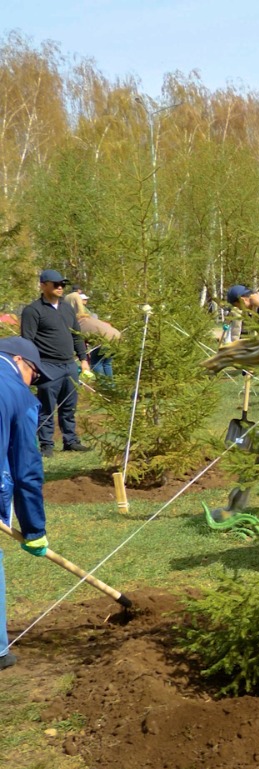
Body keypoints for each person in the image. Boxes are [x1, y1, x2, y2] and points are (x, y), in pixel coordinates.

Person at [0, 337, 50, 670]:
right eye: (35, 374)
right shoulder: (17, 393)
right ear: (21, 361)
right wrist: (34, 530)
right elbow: (27, 470)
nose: (33, 382)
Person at [20, 269, 91, 455]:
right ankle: (46, 445)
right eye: (56, 284)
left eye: (62, 284)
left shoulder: (68, 308)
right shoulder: (32, 311)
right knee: (46, 408)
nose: (60, 287)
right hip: (47, 365)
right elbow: (27, 341)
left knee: (69, 406)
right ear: (43, 285)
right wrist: (32, 367)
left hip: (69, 365)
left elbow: (77, 337)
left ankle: (70, 440)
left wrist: (83, 360)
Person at [63, 290, 121, 380]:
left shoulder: (78, 322)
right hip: (116, 336)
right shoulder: (87, 318)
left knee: (96, 364)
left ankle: (103, 386)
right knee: (106, 363)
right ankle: (111, 386)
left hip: (105, 340)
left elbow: (78, 339)